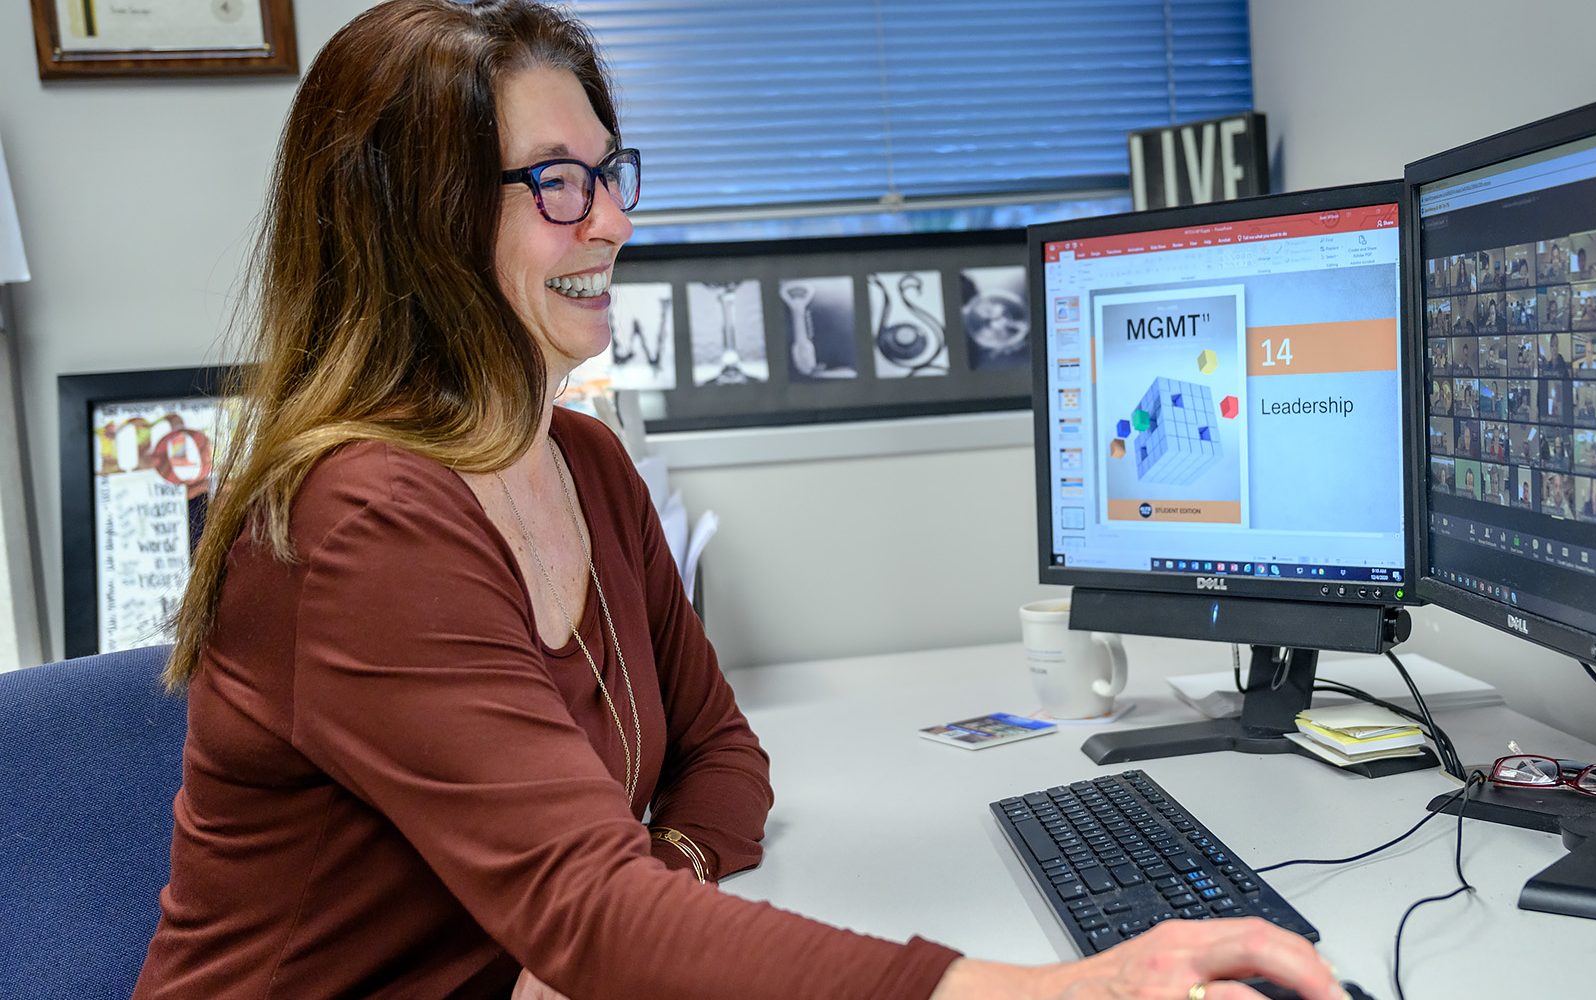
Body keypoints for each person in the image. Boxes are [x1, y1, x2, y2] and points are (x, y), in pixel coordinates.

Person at [130, 3, 1346, 1000]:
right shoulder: (362, 519)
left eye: (610, 174)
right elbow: (584, 904)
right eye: (557, 183)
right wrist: (1056, 991)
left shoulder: (585, 463)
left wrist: (636, 905)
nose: (615, 220)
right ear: (418, 222)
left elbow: (719, 755)